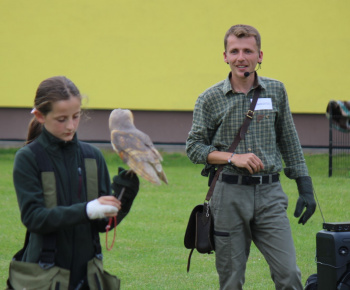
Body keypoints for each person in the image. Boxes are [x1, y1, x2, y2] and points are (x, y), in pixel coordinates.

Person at [186, 25, 316, 289]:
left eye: (248, 51)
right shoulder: (209, 99)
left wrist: (305, 187)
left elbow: (289, 140)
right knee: (231, 281)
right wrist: (233, 157)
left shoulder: (276, 91)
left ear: (260, 55)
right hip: (228, 196)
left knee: (289, 275)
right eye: (234, 51)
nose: (241, 57)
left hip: (270, 194)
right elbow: (194, 147)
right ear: (225, 56)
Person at [11, 76, 139, 289]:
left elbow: (102, 225)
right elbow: (34, 218)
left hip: (88, 275)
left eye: (76, 116)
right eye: (61, 119)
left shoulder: (92, 156)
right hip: (44, 274)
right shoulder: (28, 158)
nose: (70, 126)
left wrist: (123, 197)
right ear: (40, 115)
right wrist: (87, 209)